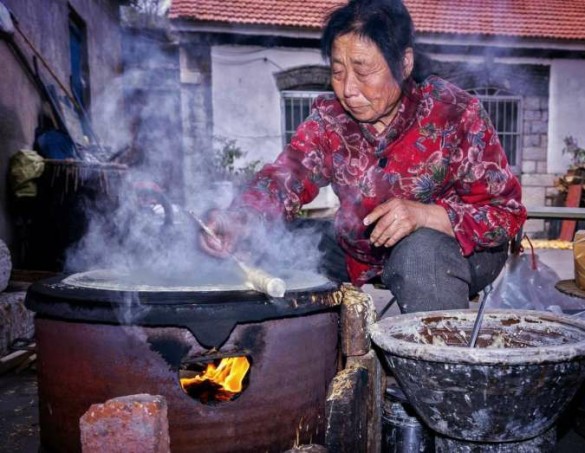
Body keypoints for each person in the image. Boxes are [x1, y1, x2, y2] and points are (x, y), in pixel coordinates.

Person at [199, 0, 527, 313]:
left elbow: (505, 215)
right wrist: (241, 219)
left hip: (457, 251)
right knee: (266, 238)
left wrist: (425, 216)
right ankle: (305, 357)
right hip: (361, 248)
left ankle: (438, 366)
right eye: (338, 71)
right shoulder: (331, 120)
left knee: (418, 253)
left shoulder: (455, 114)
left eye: (363, 70)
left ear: (404, 63)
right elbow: (286, 176)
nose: (348, 90)